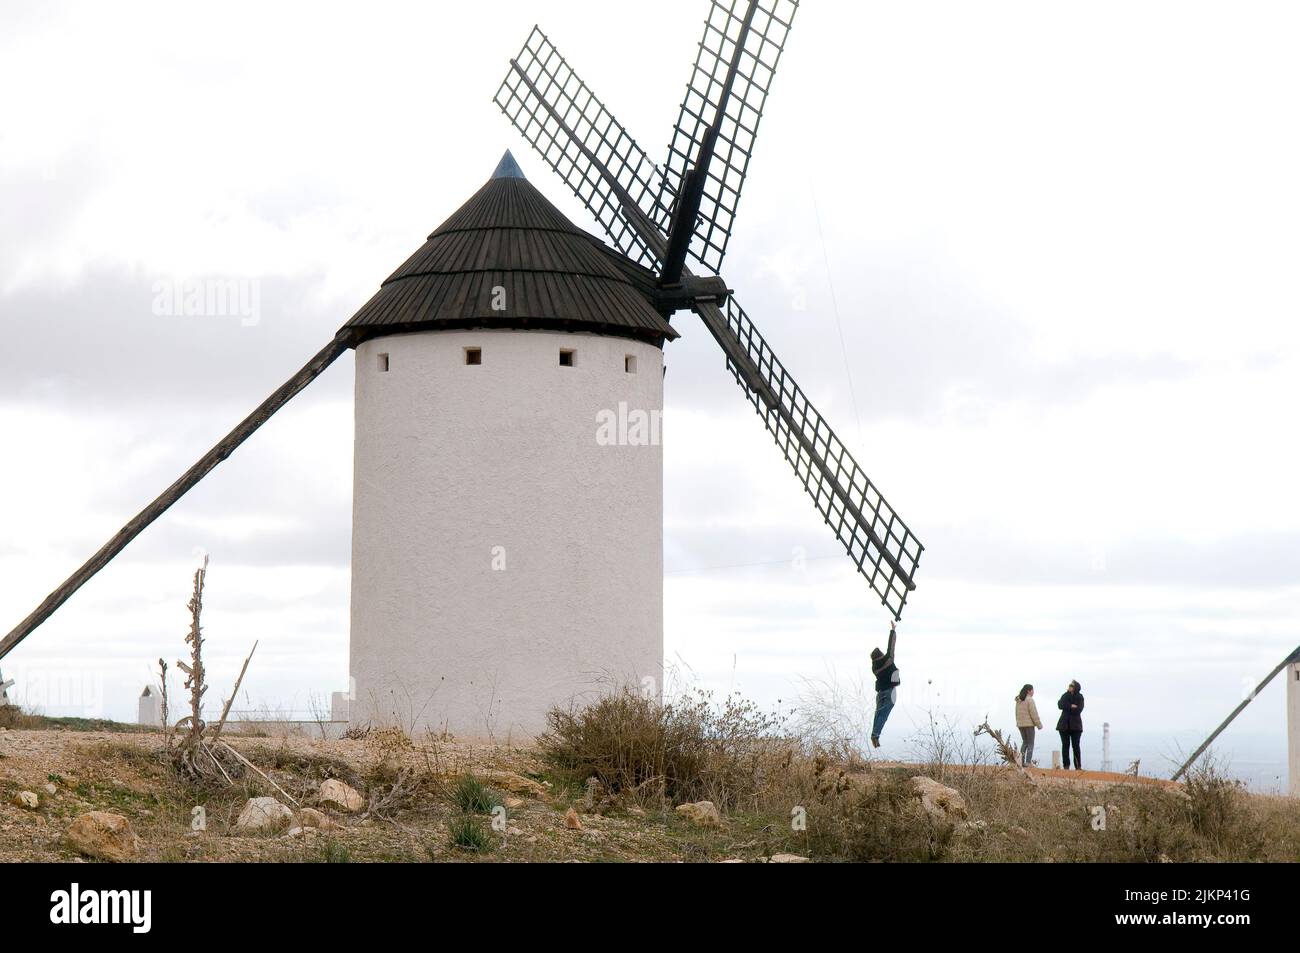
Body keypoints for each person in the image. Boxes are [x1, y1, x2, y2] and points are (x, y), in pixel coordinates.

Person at [870, 622, 900, 748]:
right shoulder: (888, 660)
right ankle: (875, 734)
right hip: (890, 691)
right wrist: (892, 630)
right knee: (884, 714)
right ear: (881, 655)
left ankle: (874, 734)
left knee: (878, 714)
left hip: (880, 693)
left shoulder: (874, 668)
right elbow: (891, 647)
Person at [1056, 679, 1085, 770]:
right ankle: (1066, 766)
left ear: (1075, 687)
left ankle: (1078, 766)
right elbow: (1060, 705)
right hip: (1064, 725)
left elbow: (1079, 709)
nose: (1069, 687)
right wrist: (1071, 706)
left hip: (1076, 726)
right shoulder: (1065, 695)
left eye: (1071, 686)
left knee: (1076, 746)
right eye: (1069, 685)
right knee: (1065, 746)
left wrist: (1067, 706)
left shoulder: (1080, 697)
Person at [1015, 684, 1042, 766]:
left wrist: (1018, 723)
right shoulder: (1029, 700)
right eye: (1032, 690)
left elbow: (1016, 713)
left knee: (1025, 742)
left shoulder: (1018, 700)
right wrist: (1039, 724)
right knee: (1030, 743)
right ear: (1029, 691)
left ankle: (1021, 761)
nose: (1033, 692)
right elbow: (1034, 713)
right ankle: (1028, 762)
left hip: (1020, 725)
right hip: (1029, 725)